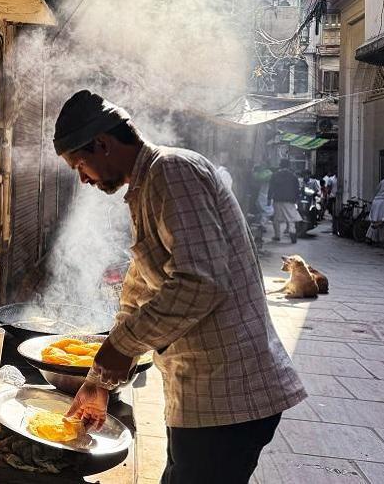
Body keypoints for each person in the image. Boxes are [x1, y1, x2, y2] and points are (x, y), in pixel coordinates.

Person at [52, 91, 306, 484]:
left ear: (102, 144)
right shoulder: (144, 189)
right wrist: (98, 380)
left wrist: (121, 347)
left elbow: (201, 281)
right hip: (200, 398)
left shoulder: (172, 171)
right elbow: (137, 292)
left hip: (228, 398)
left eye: (80, 165)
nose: (83, 179)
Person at [269, 159, 301, 243]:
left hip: (277, 199)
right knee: (291, 218)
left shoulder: (275, 175)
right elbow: (297, 189)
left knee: (276, 218)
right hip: (289, 200)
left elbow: (271, 187)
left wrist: (269, 198)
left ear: (280, 165)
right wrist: (296, 199)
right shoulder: (293, 176)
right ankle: (292, 233)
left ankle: (277, 236)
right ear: (288, 165)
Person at [366, 177, 384, 245]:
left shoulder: (383, 181)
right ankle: (380, 241)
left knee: (374, 222)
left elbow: (376, 190)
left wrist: (372, 200)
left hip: (376, 201)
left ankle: (371, 238)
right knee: (382, 223)